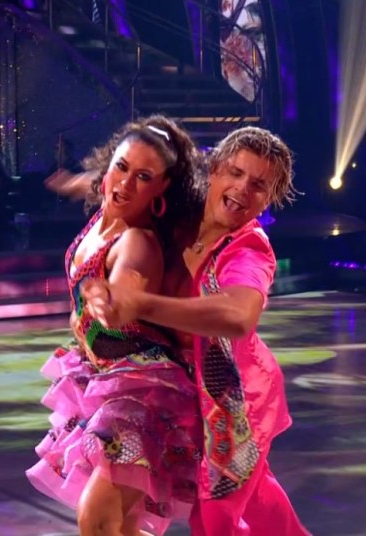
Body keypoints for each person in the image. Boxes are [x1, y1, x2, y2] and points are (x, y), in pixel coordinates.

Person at [84, 127, 309, 536]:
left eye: (259, 185)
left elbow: (239, 316)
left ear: (270, 198)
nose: (243, 189)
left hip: (237, 395)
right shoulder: (178, 211)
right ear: (215, 168)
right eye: (235, 173)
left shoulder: (248, 248)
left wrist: (143, 305)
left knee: (217, 515)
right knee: (254, 500)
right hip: (175, 382)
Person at [26, 115, 205, 536]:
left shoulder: (136, 241)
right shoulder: (106, 210)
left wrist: (109, 302)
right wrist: (74, 182)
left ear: (162, 189)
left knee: (99, 516)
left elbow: (125, 296)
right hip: (104, 380)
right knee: (122, 525)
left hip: (144, 392)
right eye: (121, 168)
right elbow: (101, 183)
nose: (125, 184)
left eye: (144, 177)